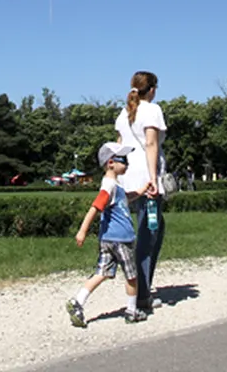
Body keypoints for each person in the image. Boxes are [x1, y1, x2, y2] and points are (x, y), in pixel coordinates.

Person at [66, 142, 148, 327]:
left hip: (108, 239)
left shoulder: (114, 185)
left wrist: (141, 191)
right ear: (111, 163)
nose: (127, 163)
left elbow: (125, 198)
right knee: (131, 275)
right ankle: (132, 310)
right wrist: (83, 230)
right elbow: (96, 207)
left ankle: (77, 301)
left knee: (101, 273)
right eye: (123, 160)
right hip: (122, 239)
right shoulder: (109, 185)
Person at [114, 71, 166, 314]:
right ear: (152, 89)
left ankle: (139, 287)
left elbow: (119, 146)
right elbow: (151, 143)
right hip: (146, 179)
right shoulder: (152, 110)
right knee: (149, 233)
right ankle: (142, 294)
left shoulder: (124, 112)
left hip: (127, 178)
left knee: (152, 229)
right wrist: (153, 179)